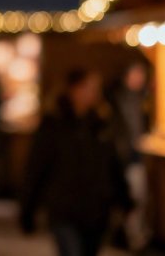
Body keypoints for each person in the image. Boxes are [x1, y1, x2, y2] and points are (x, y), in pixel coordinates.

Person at [20, 69, 131, 256]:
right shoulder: (54, 125)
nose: (94, 93)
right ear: (73, 90)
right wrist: (27, 208)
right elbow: (36, 167)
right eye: (88, 88)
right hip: (64, 209)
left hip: (96, 211)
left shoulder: (101, 125)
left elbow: (113, 165)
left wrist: (124, 199)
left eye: (96, 88)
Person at [110, 62, 152, 252]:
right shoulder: (120, 99)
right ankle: (131, 237)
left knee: (138, 196)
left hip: (134, 153)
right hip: (126, 155)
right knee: (133, 196)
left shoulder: (139, 98)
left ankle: (132, 235)